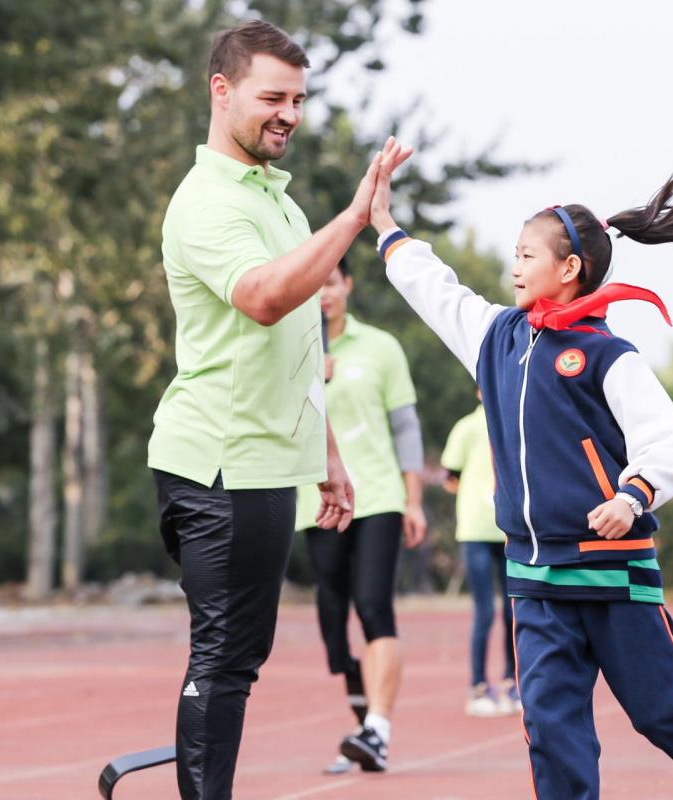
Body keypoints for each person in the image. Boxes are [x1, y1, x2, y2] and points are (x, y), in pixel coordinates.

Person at [367, 140, 673, 800]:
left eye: (527, 255)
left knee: (661, 710)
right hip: (535, 577)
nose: (514, 265)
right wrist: (386, 227)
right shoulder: (495, 338)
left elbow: (664, 442)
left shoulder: (607, 353)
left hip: (615, 576)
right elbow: (435, 290)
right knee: (552, 730)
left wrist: (631, 496)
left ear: (571, 268)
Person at [147, 19, 406, 799]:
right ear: (221, 92)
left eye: (298, 98)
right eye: (272, 96)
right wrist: (357, 216)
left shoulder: (280, 204)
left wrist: (324, 457)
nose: (289, 113)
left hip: (265, 467)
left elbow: (294, 352)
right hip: (215, 463)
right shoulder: (207, 204)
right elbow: (263, 300)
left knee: (239, 658)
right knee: (223, 657)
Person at [296, 257, 427, 774]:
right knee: (334, 625)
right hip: (317, 504)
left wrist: (414, 499)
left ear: (346, 285)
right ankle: (363, 728)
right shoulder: (290, 351)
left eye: (330, 283)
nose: (322, 295)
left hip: (376, 497)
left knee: (373, 605)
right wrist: (305, 379)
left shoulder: (381, 348)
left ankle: (378, 726)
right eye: (314, 287)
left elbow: (407, 428)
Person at [442, 393, 519, 716]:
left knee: (513, 610)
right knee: (484, 611)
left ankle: (510, 681)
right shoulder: (467, 427)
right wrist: (478, 495)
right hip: (475, 529)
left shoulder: (515, 420)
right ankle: (477, 685)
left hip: (509, 531)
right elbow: (450, 476)